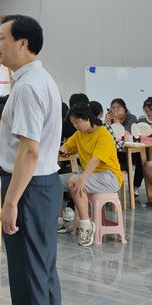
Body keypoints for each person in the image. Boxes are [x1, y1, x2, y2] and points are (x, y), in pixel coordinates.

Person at [0, 14, 62, 305]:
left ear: (22, 43)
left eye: (2, 38)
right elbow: (31, 138)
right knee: (41, 272)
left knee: (28, 277)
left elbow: (30, 152)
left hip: (28, 189)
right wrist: (2, 134)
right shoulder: (38, 80)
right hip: (41, 185)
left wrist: (11, 202)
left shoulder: (28, 87)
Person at [57, 104, 123, 246]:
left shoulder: (103, 134)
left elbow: (95, 160)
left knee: (75, 181)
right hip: (90, 174)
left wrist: (82, 179)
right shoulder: (79, 134)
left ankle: (86, 226)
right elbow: (65, 148)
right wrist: (58, 152)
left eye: (77, 122)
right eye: (73, 123)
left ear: (87, 118)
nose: (75, 126)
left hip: (110, 177)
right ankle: (58, 220)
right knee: (53, 181)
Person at [107, 98, 142, 194]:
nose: (115, 110)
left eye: (118, 108)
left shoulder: (131, 118)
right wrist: (108, 123)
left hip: (132, 151)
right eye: (113, 108)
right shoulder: (110, 118)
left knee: (142, 159)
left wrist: (117, 122)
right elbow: (107, 135)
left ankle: (136, 185)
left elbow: (125, 134)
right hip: (118, 150)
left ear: (125, 108)